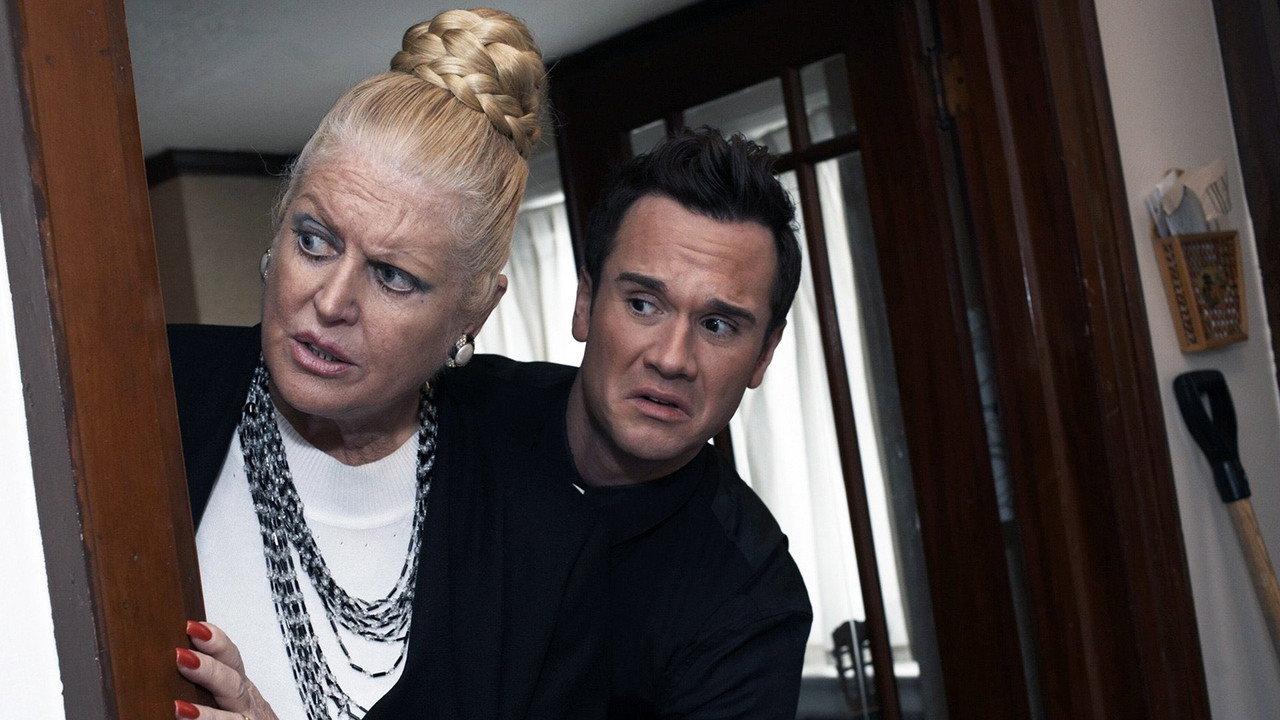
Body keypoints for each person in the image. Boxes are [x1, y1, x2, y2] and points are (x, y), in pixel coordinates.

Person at [166, 9, 605, 720]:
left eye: (393, 276)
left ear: (473, 313)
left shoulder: (535, 534)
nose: (330, 301)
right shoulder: (150, 393)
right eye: (314, 240)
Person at [439, 128, 813, 719]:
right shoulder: (451, 414)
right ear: (585, 304)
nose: (671, 358)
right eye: (643, 304)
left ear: (764, 355)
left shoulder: (750, 597)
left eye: (717, 325)